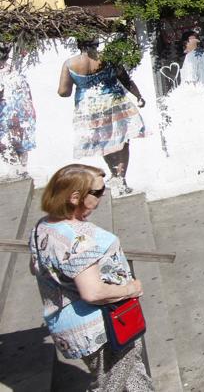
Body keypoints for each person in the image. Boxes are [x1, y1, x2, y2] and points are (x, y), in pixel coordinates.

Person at [28, 164, 152, 390]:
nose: (102, 196)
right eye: (98, 192)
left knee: (133, 378)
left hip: (75, 326)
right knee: (110, 385)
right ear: (75, 197)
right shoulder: (78, 241)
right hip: (102, 327)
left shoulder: (42, 228)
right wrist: (131, 289)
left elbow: (35, 267)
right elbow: (93, 292)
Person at [57, 39, 146, 195]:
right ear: (97, 44)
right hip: (114, 103)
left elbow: (64, 91)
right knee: (122, 141)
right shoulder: (109, 58)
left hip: (89, 108)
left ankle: (114, 175)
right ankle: (121, 179)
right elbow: (125, 79)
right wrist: (138, 96)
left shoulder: (70, 64)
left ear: (79, 45)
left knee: (103, 143)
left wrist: (81, 83)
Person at [0, 44, 36, 173]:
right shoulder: (15, 71)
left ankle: (18, 173)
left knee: (6, 146)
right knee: (20, 146)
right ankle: (23, 172)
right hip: (23, 114)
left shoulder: (6, 73)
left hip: (9, 115)